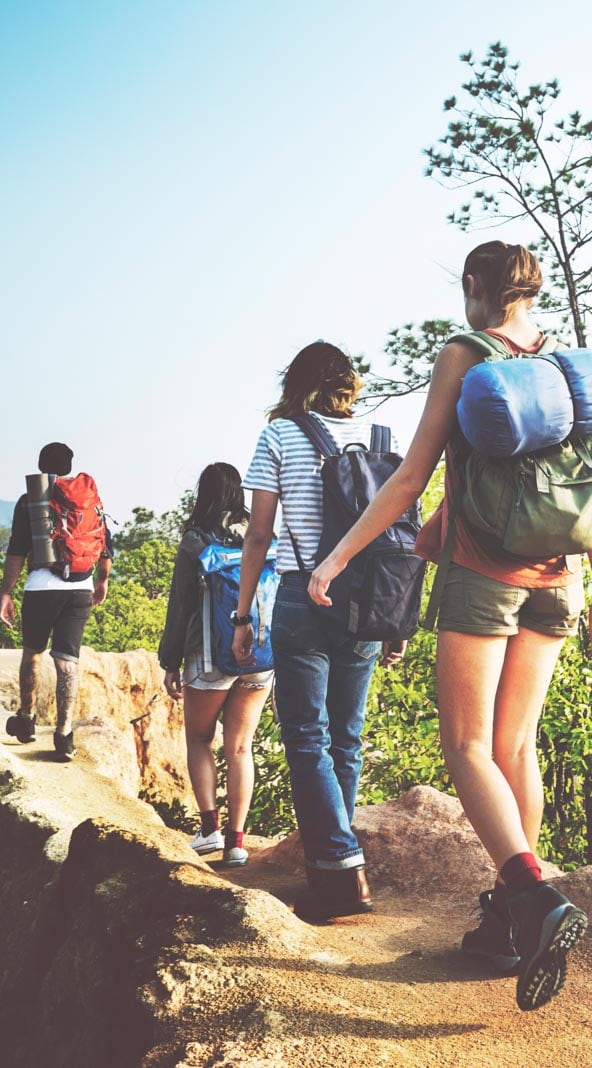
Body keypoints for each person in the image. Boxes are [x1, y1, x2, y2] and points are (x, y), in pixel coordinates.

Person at [307, 241, 592, 1011]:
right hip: (564, 576)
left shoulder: (465, 355)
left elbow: (411, 473)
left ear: (475, 287)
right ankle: (510, 924)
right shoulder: (568, 367)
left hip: (487, 581)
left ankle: (535, 899)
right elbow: (590, 487)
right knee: (518, 746)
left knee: (469, 747)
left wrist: (337, 558)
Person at [234, 341, 407, 922]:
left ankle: (340, 868)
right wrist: (396, 615)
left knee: (308, 737)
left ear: (297, 383)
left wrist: (242, 614)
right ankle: (336, 861)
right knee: (346, 738)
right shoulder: (383, 435)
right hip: (368, 598)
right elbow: (398, 529)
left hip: (304, 597)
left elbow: (258, 534)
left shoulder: (281, 435)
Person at [157, 463, 274, 868]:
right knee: (241, 746)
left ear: (204, 494)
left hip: (209, 656)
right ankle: (237, 843)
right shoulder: (261, 532)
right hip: (259, 657)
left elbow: (181, 605)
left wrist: (170, 660)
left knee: (199, 740)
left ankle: (209, 830)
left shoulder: (196, 539)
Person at [0, 442, 112, 762]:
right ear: (70, 465)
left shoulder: (30, 501)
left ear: (39, 464)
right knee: (67, 662)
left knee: (33, 654)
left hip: (40, 588)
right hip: (80, 588)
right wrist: (101, 581)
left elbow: (16, 551)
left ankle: (26, 719)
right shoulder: (90, 501)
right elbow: (105, 547)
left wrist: (6, 592)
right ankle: (63, 735)